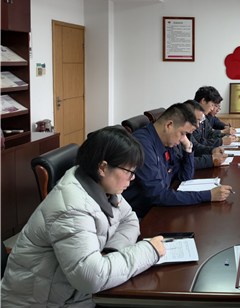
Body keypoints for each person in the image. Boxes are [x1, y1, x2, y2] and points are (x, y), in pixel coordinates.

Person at [1, 127, 166, 307]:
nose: (132, 178)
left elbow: (129, 219)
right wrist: (149, 251)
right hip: (39, 303)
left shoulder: (103, 186)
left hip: (71, 295)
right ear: (103, 167)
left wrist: (111, 252)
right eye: (128, 171)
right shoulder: (70, 208)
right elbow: (91, 277)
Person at [122, 103, 232, 218]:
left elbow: (184, 176)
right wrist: (208, 195)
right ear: (169, 125)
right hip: (143, 216)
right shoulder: (142, 144)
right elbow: (158, 195)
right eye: (182, 133)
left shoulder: (166, 141)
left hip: (160, 207)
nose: (183, 139)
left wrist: (188, 148)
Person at [183, 99, 226, 170]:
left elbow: (195, 146)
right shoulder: (176, 136)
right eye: (212, 105)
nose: (197, 126)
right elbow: (181, 164)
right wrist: (210, 160)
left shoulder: (185, 133)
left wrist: (212, 150)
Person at [193, 86, 236, 152]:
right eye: (212, 105)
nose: (212, 109)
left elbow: (209, 133)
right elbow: (198, 144)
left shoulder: (203, 116)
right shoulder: (191, 117)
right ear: (203, 101)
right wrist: (221, 141)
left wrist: (224, 135)